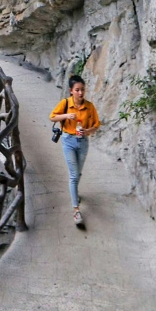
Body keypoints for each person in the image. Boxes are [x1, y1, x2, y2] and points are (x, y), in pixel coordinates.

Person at [50, 74, 101, 227]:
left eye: (82, 90)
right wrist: (66, 115)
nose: (80, 93)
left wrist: (87, 131)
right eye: (77, 90)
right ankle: (76, 210)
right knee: (73, 174)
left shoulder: (89, 106)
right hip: (68, 141)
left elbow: (96, 125)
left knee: (78, 173)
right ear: (71, 90)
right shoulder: (65, 103)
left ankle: (75, 194)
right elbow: (52, 117)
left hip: (83, 142)